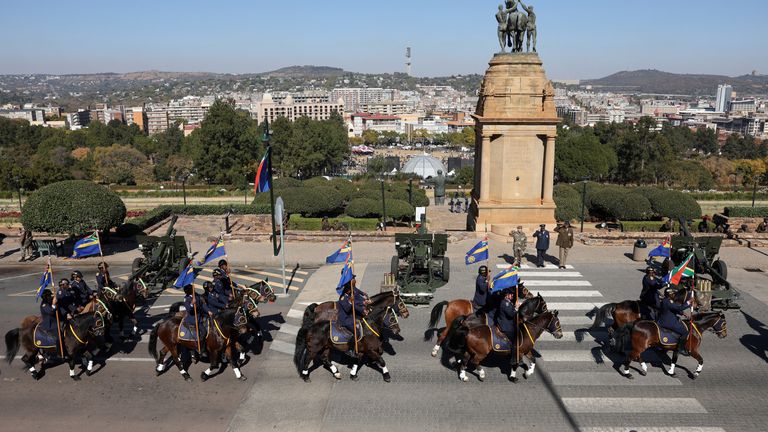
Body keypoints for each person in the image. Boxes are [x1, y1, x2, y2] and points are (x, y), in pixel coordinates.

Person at [658, 287, 692, 355]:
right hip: (669, 322)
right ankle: (681, 348)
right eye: (673, 294)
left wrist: (682, 313)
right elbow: (679, 307)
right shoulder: (668, 301)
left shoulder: (666, 300)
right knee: (685, 332)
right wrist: (689, 302)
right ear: (670, 294)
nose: (674, 295)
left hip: (663, 319)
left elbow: (673, 309)